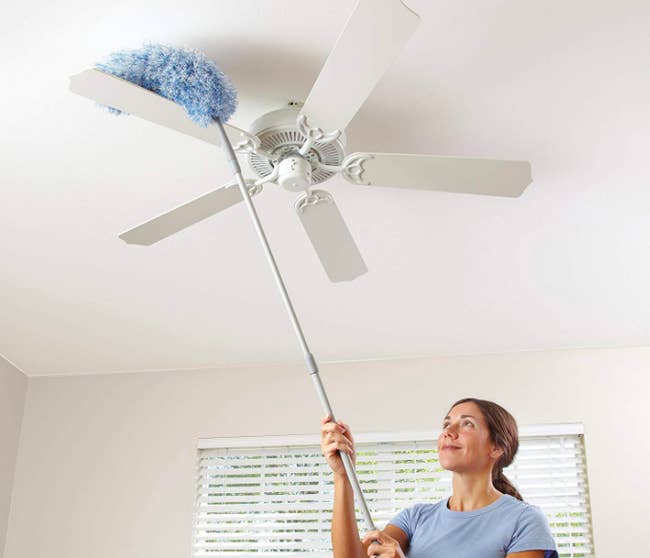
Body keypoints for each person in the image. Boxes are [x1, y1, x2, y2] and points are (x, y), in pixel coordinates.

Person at [320, 397, 559, 558]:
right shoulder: (415, 518)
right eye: (447, 423)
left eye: (467, 424)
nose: (448, 431)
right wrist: (343, 476)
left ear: (496, 448)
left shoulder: (524, 521)